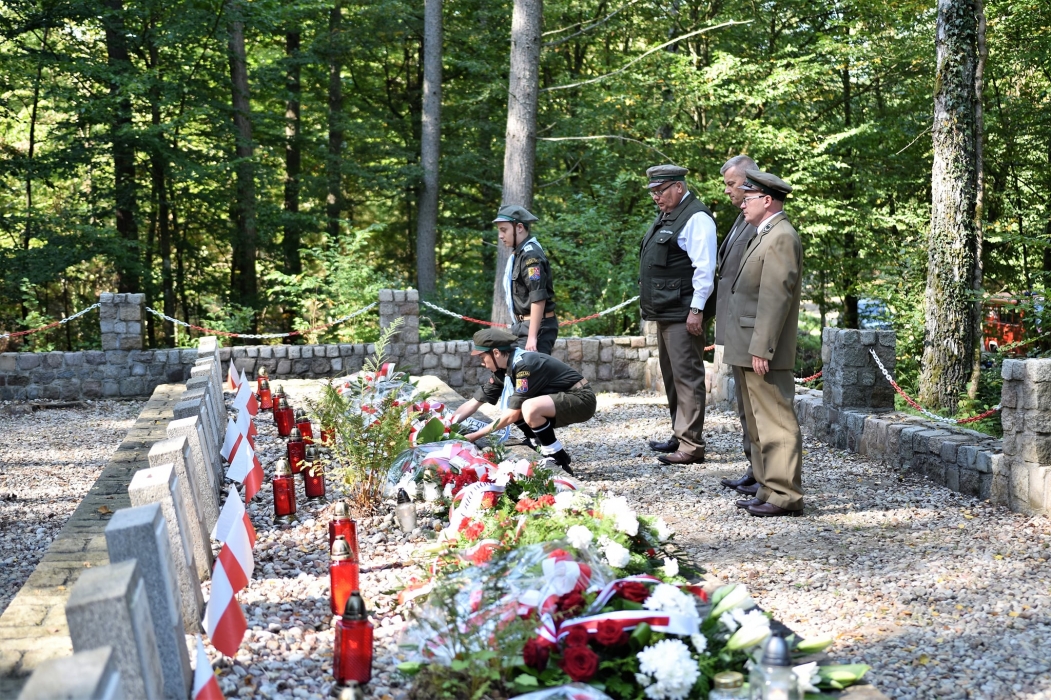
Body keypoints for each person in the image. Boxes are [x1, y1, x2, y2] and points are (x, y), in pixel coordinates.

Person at [723, 169, 804, 517]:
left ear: (767, 200)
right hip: (747, 344)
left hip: (761, 348)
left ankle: (785, 495)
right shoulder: (764, 234)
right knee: (757, 423)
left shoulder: (781, 236)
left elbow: (775, 296)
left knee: (776, 422)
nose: (742, 203)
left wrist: (762, 347)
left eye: (749, 197)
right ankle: (768, 487)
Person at [452, 205, 559, 449]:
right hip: (521, 325)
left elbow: (538, 298)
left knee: (527, 385)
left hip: (536, 326)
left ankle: (549, 447)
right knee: (507, 379)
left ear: (519, 227)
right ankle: (533, 437)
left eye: (503, 230)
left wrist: (532, 338)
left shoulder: (531, 256)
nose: (500, 235)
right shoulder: (518, 255)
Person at [638, 164, 718, 465]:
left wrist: (696, 310)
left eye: (661, 190)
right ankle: (680, 434)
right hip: (667, 310)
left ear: (679, 187)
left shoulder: (696, 218)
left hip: (683, 312)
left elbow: (705, 269)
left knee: (687, 378)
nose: (656, 197)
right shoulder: (669, 215)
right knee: (672, 376)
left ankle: (691, 445)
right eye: (653, 192)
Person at [460, 328, 596, 475]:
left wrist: (474, 436)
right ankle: (537, 443)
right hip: (562, 398)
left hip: (581, 398)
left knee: (528, 407)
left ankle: (557, 458)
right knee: (516, 403)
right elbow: (474, 402)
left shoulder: (525, 365)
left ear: (496, 353)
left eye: (482, 357)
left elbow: (512, 415)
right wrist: (448, 424)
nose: (482, 363)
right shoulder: (504, 370)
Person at [714, 156, 759, 494]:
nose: (727, 190)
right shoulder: (741, 219)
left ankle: (764, 473)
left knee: (756, 407)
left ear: (748, 182)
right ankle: (754, 468)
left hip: (750, 329)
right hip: (736, 326)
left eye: (731, 183)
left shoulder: (760, 223)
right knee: (745, 405)